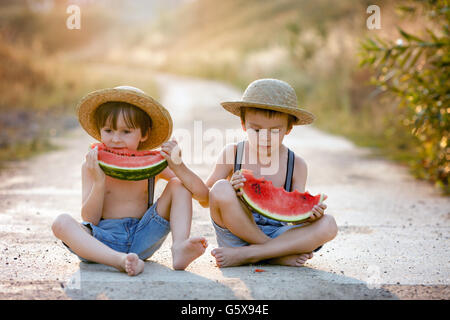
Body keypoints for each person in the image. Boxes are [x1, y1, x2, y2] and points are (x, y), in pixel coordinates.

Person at [52, 86, 208, 276]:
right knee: (60, 223)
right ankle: (118, 261)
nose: (116, 139)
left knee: (178, 184)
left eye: (126, 132)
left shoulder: (153, 165)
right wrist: (99, 182)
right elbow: (90, 219)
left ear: (144, 134)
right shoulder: (91, 166)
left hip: (143, 236)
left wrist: (178, 166)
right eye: (108, 130)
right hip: (101, 241)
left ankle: (179, 248)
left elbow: (203, 196)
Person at [204, 79, 338, 267]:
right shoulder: (233, 153)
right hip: (235, 235)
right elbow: (206, 197)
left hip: (277, 234)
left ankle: (252, 254)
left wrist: (309, 216)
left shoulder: (297, 164)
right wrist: (230, 189)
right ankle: (274, 253)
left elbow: (294, 214)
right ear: (243, 124)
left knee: (329, 224)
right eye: (256, 129)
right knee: (220, 188)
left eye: (275, 131)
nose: (264, 137)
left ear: (289, 129)